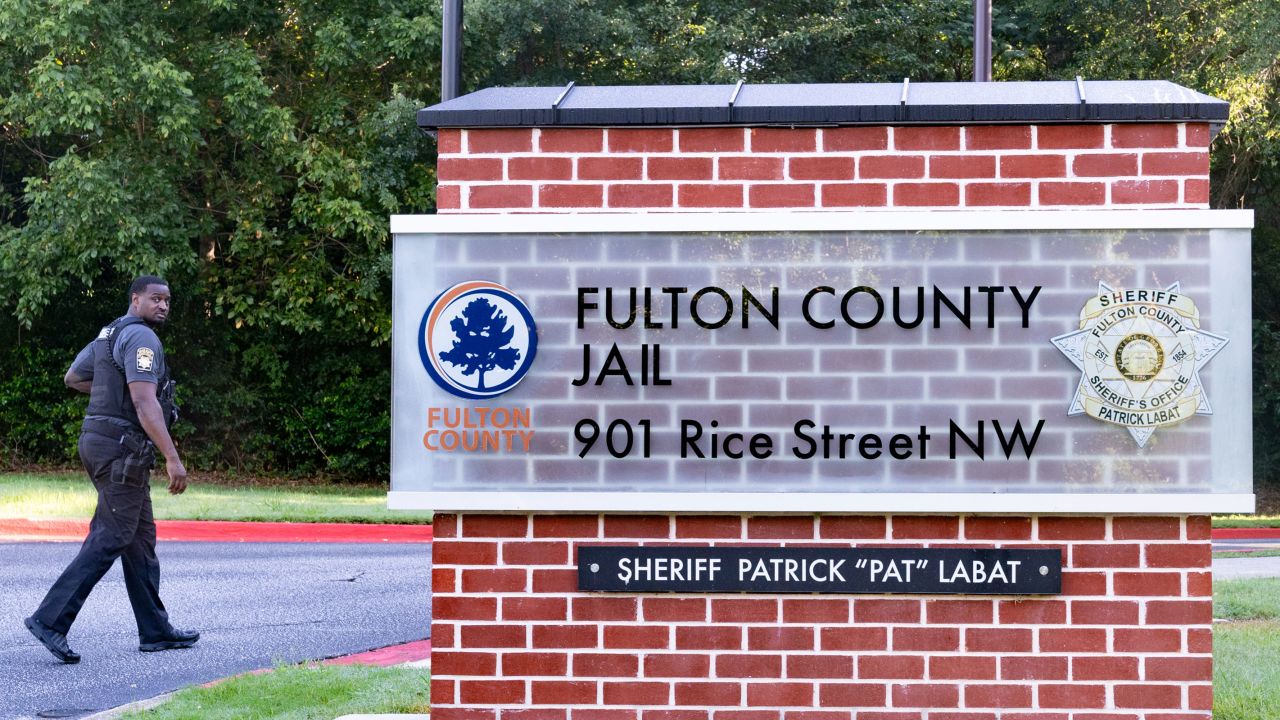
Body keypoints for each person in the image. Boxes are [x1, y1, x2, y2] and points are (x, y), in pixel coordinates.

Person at [24, 275, 199, 664]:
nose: (163, 306)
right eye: (155, 299)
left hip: (99, 441)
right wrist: (173, 457)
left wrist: (112, 388)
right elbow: (144, 403)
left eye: (167, 300)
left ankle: (155, 631)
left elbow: (74, 377)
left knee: (139, 539)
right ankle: (50, 619)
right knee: (111, 535)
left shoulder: (109, 333)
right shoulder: (141, 339)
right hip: (122, 450)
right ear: (135, 300)